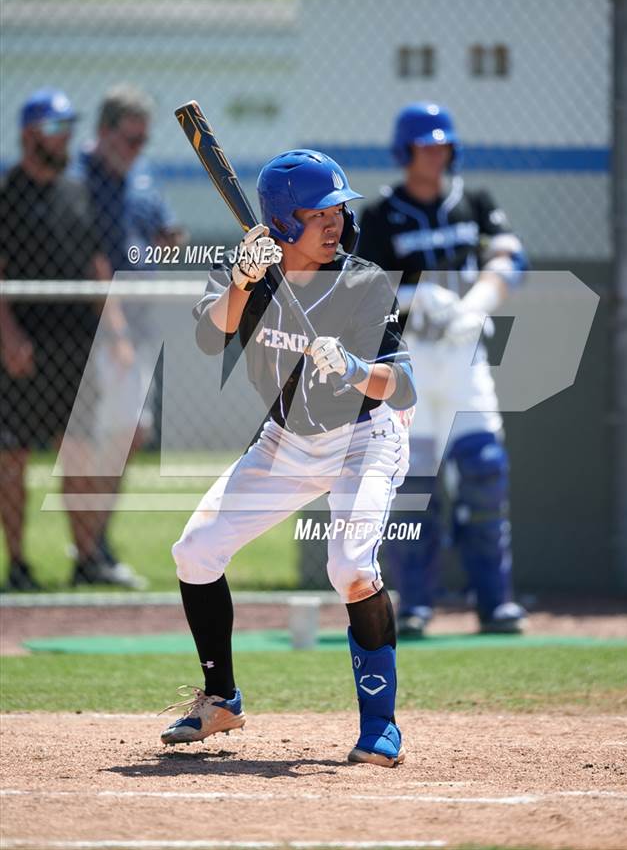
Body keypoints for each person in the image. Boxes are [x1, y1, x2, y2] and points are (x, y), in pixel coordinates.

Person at [160, 150, 416, 767]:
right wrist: (243, 282)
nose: (335, 223)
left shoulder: (363, 281)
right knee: (194, 552)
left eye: (339, 210)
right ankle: (220, 701)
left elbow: (402, 386)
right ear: (280, 221)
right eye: (318, 213)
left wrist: (356, 370)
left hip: (364, 437)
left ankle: (380, 726)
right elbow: (206, 333)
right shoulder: (253, 272)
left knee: (351, 567)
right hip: (287, 441)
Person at [358, 102, 529, 636]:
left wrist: (474, 303)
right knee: (415, 489)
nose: (435, 154)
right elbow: (365, 287)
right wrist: (415, 296)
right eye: (424, 145)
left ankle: (496, 602)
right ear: (404, 150)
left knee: (483, 470)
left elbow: (510, 257)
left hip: (464, 357)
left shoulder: (472, 201)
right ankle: (416, 604)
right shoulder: (382, 213)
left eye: (442, 145)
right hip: (409, 362)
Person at [72, 84, 183, 588]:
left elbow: (163, 229)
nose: (138, 147)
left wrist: (169, 242)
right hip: (88, 330)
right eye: (129, 138)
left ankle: (93, 546)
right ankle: (89, 550)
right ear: (104, 131)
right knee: (87, 440)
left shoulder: (138, 176)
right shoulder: (79, 179)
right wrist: (112, 328)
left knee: (130, 435)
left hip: (138, 326)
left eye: (144, 139)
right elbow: (91, 262)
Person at [0, 89, 103, 590]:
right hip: (24, 347)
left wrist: (116, 332)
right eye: (55, 128)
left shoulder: (77, 191)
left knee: (80, 452)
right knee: (12, 457)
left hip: (76, 343)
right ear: (28, 134)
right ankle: (18, 565)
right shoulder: (8, 195)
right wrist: (9, 334)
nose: (65, 138)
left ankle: (86, 561)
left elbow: (95, 266)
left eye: (68, 128)